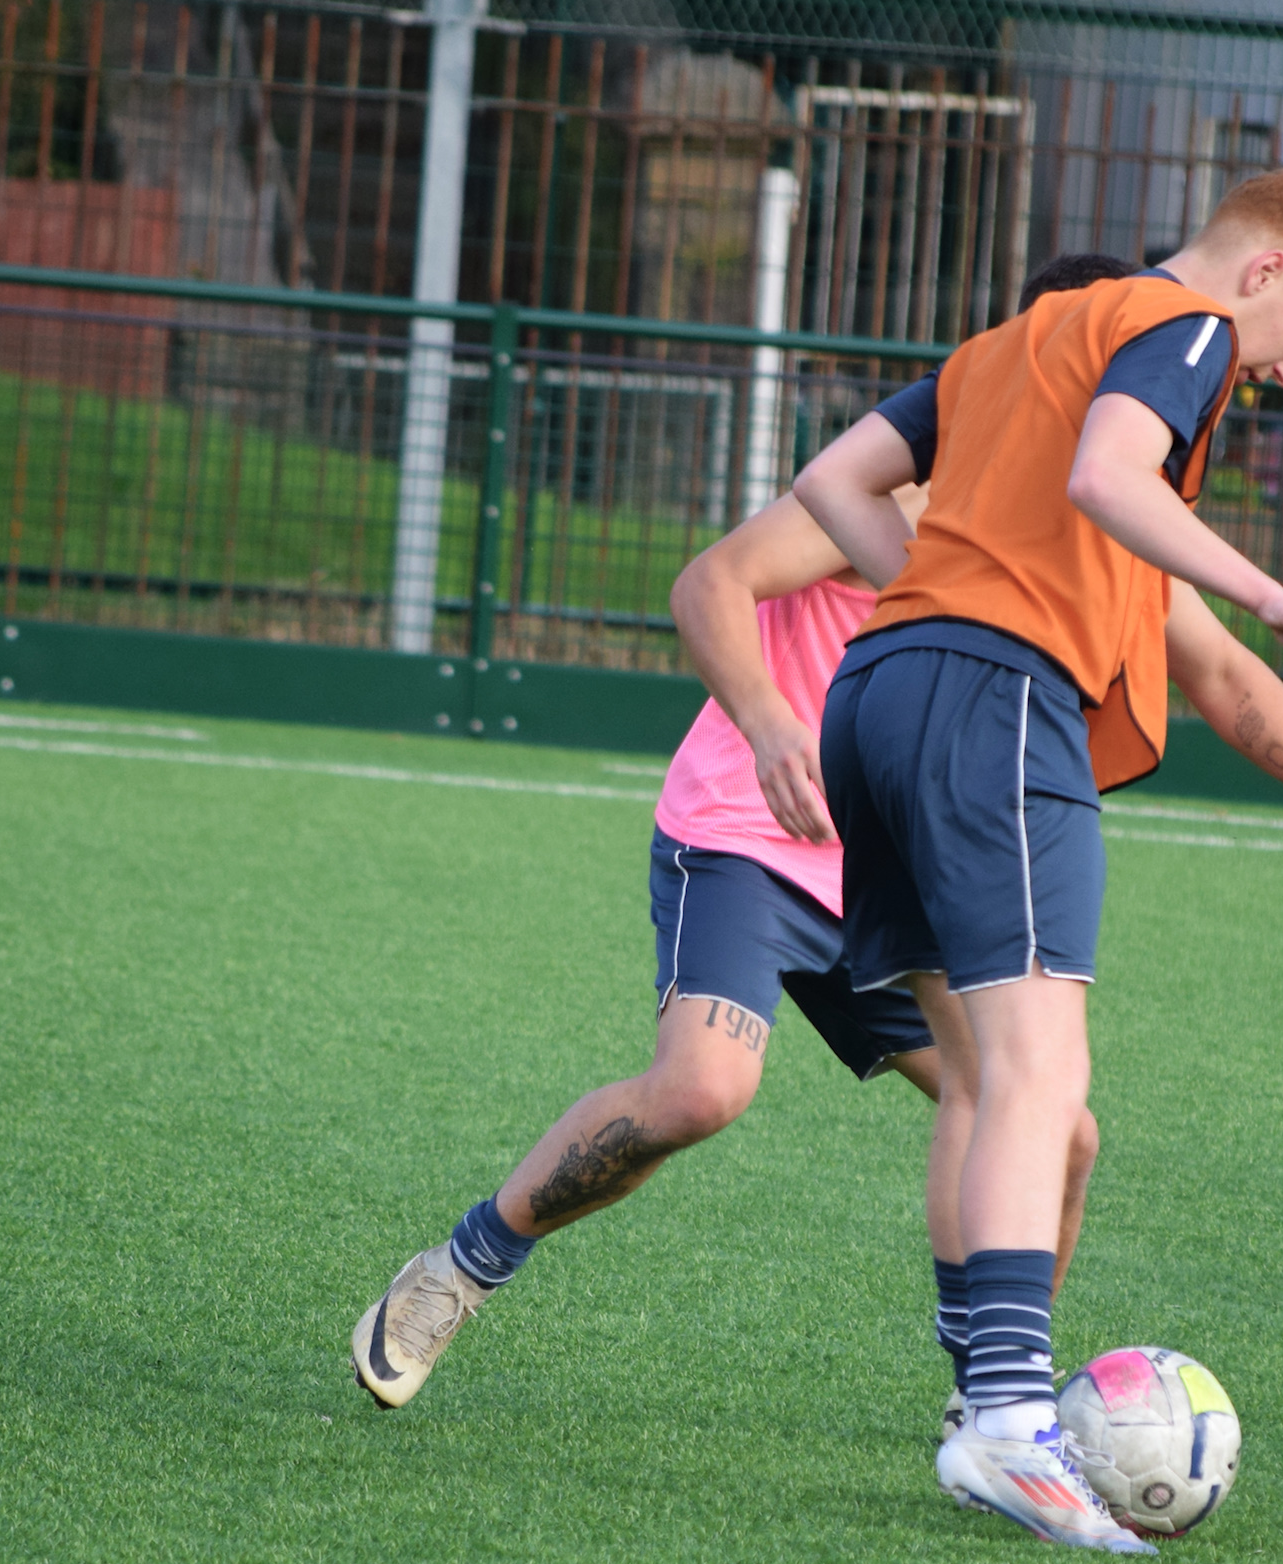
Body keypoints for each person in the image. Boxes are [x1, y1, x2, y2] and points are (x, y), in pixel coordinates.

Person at [795, 169, 1283, 1553]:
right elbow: (1112, 474)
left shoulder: (1012, 344)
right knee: (1046, 1074)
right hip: (992, 702)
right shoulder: (1184, 328)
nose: (1279, 377)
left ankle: (987, 1406)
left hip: (879, 693)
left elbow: (831, 480)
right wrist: (1274, 583)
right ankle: (1003, 1420)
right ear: (1263, 272)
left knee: (999, 1077)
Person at [349, 254, 1139, 1414]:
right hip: (753, 835)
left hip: (896, 860)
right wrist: (773, 727)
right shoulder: (911, 485)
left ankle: (996, 1402)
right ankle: (462, 1265)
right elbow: (710, 582)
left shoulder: (1091, 527)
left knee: (1057, 1130)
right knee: (703, 1089)